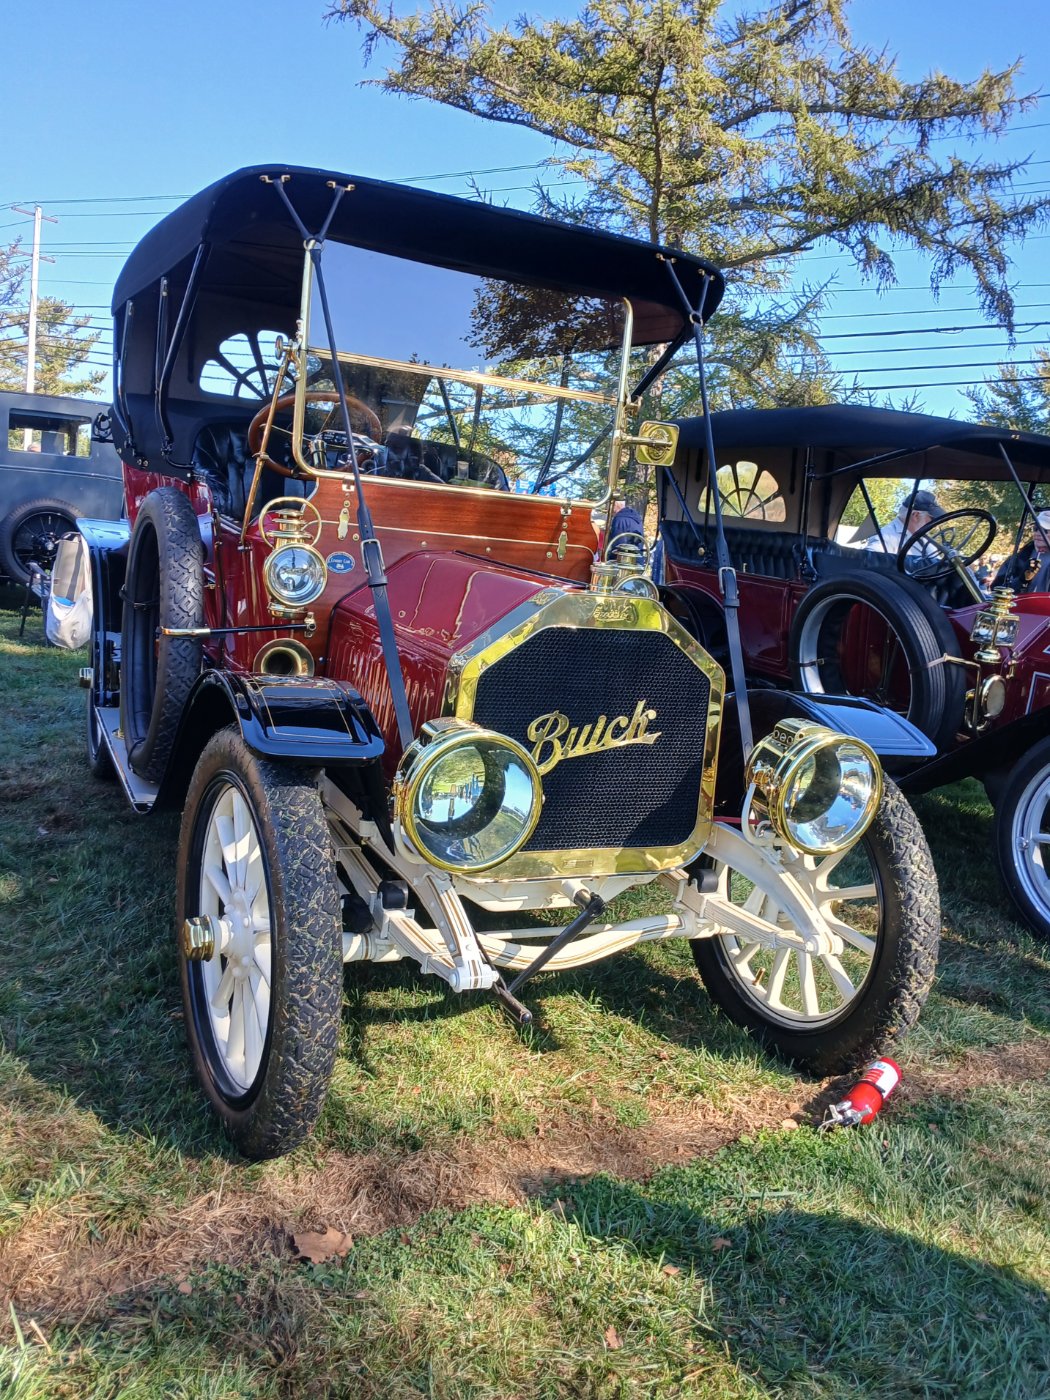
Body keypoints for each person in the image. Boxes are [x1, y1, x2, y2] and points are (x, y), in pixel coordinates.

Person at [864, 489, 943, 554]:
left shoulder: (925, 541)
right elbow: (868, 561)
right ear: (916, 515)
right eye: (932, 519)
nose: (934, 524)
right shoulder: (886, 537)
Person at [994, 511, 1050, 593]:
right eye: (1035, 529)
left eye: (1044, 530)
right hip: (1022, 602)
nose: (1037, 533)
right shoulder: (1019, 558)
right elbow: (996, 590)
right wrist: (1021, 581)